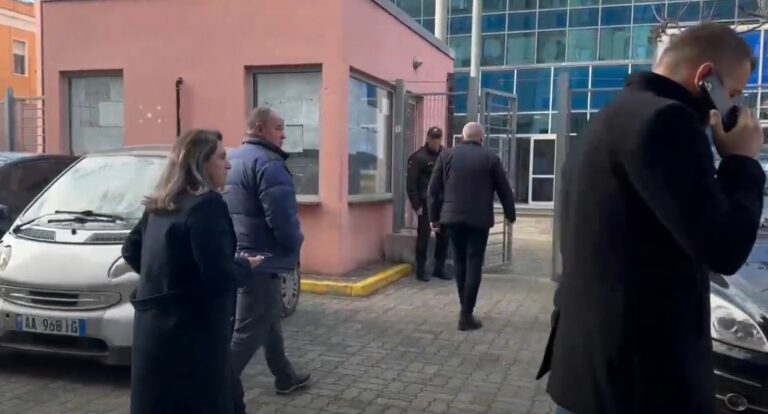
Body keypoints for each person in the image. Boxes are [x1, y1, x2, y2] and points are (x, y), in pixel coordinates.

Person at [536, 23, 765, 414]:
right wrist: (742, 161)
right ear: (706, 77)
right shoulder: (667, 121)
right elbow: (723, 247)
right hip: (639, 382)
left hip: (593, 369)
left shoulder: (610, 116)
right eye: (733, 94)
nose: (732, 107)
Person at [122, 129, 264, 414]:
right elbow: (218, 276)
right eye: (221, 157)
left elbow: (131, 251)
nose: (228, 165)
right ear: (201, 163)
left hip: (156, 335)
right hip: (193, 341)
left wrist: (170, 282)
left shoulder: (162, 202)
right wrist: (245, 265)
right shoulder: (206, 205)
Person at [224, 107, 310, 411]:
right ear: (259, 128)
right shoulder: (269, 164)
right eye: (279, 128)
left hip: (241, 253)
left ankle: (285, 377)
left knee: (268, 318)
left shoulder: (232, 159)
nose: (283, 135)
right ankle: (212, 388)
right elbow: (283, 218)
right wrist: (295, 243)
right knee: (249, 330)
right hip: (261, 259)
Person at [427, 122, 516, 331]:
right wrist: (510, 215)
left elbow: (433, 189)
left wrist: (434, 217)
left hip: (452, 219)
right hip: (479, 220)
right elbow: (504, 190)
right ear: (481, 138)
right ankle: (466, 314)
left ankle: (464, 309)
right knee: (474, 263)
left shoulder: (446, 156)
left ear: (462, 137)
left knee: (459, 262)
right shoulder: (490, 158)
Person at [406, 126, 450, 282]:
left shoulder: (445, 155)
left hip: (442, 204)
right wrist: (416, 206)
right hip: (425, 205)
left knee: (444, 237)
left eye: (438, 138)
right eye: (433, 138)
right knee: (423, 238)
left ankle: (439, 268)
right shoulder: (418, 157)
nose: (436, 141)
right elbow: (411, 184)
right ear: (428, 138)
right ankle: (421, 269)